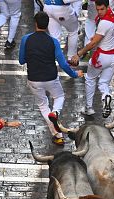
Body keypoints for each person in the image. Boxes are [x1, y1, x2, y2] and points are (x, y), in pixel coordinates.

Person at [18, 12, 82, 146]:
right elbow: (63, 64)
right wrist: (75, 74)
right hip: (51, 78)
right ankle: (55, 112)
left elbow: (21, 60)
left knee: (43, 105)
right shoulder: (53, 41)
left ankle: (57, 135)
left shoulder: (25, 39)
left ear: (35, 23)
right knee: (59, 97)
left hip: (34, 79)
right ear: (47, 25)